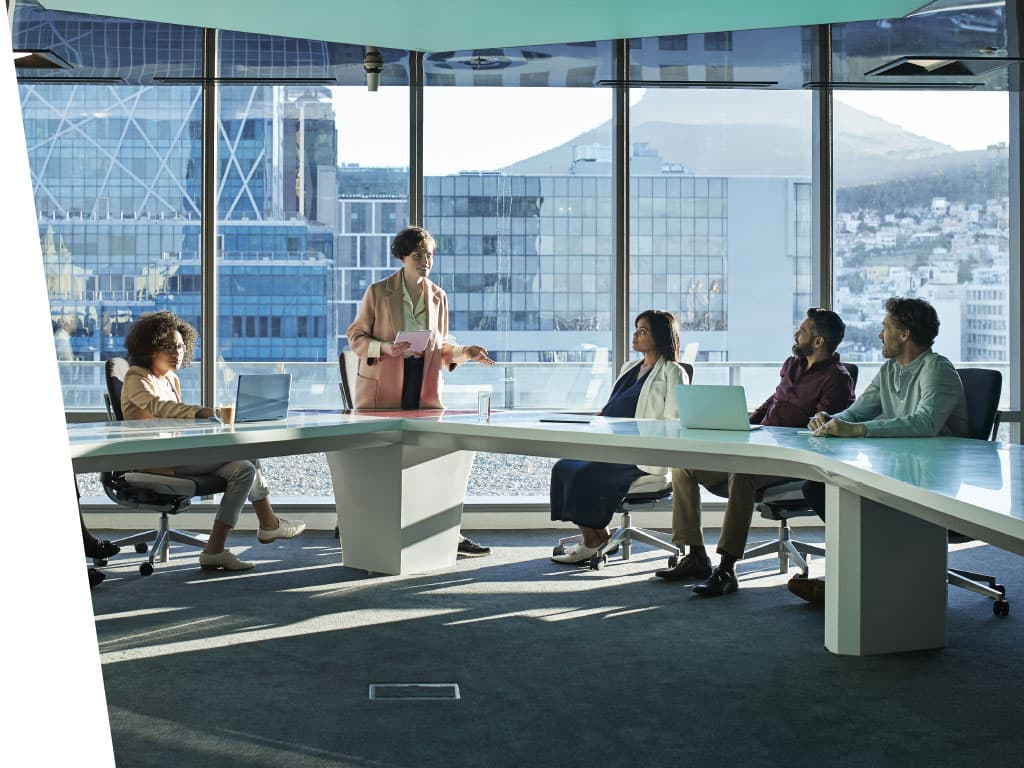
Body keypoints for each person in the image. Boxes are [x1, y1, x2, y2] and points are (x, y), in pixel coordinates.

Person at [655, 307, 856, 596]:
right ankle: (696, 555)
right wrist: (742, 425)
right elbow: (774, 401)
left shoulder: (838, 379)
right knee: (685, 466)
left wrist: (773, 441)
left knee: (742, 471)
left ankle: (726, 568)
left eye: (803, 330)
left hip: (789, 460)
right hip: (759, 447)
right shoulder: (792, 364)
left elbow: (824, 432)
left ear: (819, 341)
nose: (796, 334)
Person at [790, 296, 969, 604]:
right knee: (818, 489)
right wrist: (829, 420)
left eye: (886, 327)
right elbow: (857, 412)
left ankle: (851, 582)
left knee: (854, 497)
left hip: (935, 478)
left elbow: (925, 423)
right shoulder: (889, 371)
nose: (879, 334)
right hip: (901, 468)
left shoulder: (936, 369)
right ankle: (857, 575)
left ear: (905, 334)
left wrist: (858, 430)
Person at [346, 225, 495, 557]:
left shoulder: (438, 296)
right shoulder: (378, 292)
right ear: (403, 257)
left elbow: (441, 350)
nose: (425, 261)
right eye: (418, 255)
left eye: (430, 255)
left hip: (423, 384)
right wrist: (386, 347)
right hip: (384, 385)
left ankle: (447, 534)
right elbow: (356, 338)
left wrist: (465, 352)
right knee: (380, 461)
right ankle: (371, 528)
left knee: (432, 461)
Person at [121, 310, 306, 571]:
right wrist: (205, 412)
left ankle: (215, 550)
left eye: (181, 346)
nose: (178, 353)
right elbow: (160, 408)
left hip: (173, 452)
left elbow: (176, 422)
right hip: (151, 460)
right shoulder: (136, 378)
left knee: (244, 468)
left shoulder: (171, 379)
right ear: (149, 348)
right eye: (169, 347)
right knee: (246, 455)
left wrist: (210, 423)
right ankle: (268, 524)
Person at [549, 310, 690, 564]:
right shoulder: (630, 367)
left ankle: (592, 543)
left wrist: (634, 437)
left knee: (584, 474)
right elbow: (613, 405)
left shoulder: (673, 372)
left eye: (643, 331)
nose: (635, 335)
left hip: (642, 455)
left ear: (660, 336)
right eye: (636, 329)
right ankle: (598, 536)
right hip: (611, 446)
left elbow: (673, 423)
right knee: (564, 467)